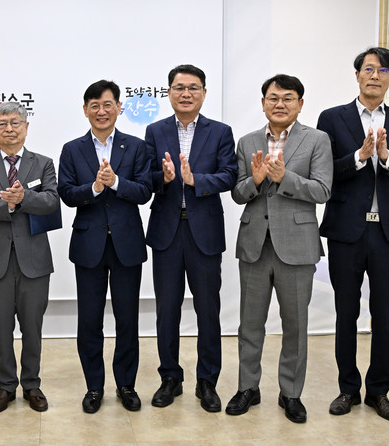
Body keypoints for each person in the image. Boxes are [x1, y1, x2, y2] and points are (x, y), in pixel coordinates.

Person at [317, 47, 389, 422]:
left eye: (383, 70)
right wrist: (360, 157)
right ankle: (348, 388)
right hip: (346, 231)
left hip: (388, 232)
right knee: (346, 312)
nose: (375, 75)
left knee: (385, 314)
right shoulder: (333, 118)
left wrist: (387, 157)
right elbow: (325, 170)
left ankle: (379, 391)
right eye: (369, 68)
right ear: (358, 75)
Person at [226, 74, 332, 423]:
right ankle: (247, 387)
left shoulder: (317, 140)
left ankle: (291, 393)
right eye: (273, 98)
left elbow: (322, 191)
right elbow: (238, 193)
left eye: (288, 98)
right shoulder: (247, 142)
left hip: (297, 245)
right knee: (249, 324)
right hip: (255, 244)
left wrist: (284, 177)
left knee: (295, 325)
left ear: (300, 104)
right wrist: (256, 180)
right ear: (263, 103)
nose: (280, 104)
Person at [145, 64, 237, 411]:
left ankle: (207, 381)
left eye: (193, 88)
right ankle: (170, 377)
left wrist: (195, 179)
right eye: (179, 88)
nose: (186, 94)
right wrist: (166, 178)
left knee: (208, 310)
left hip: (205, 233)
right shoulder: (155, 131)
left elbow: (229, 175)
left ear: (204, 93)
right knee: (167, 310)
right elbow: (146, 178)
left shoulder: (220, 132)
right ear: (169, 92)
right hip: (167, 233)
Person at [57, 80, 151, 414]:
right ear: (85, 110)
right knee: (89, 321)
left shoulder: (136, 147)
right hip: (89, 245)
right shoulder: (72, 149)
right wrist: (96, 187)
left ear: (119, 108)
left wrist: (117, 183)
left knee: (127, 320)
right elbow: (67, 194)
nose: (101, 111)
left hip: (126, 244)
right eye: (94, 105)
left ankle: (126, 385)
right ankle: (94, 387)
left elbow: (145, 191)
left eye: (108, 104)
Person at [0, 102, 60, 414]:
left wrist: (24, 198)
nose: (9, 129)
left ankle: (31, 384)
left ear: (26, 127)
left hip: (34, 260)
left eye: (15, 122)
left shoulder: (43, 164)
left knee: (33, 326)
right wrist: (8, 205)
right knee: (1, 327)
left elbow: (51, 201)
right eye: (3, 123)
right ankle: (6, 385)